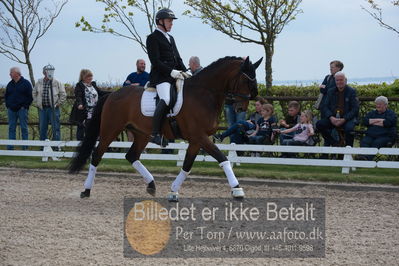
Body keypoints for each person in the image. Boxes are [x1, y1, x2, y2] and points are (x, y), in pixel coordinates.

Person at [146, 8, 187, 147]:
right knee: (167, 99)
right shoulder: (152, 38)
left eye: (171, 21)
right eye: (169, 21)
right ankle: (155, 133)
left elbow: (178, 58)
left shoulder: (171, 38)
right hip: (161, 77)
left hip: (174, 75)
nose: (171, 24)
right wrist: (171, 72)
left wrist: (186, 72)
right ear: (160, 21)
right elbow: (155, 61)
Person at [316, 71, 359, 147]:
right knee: (319, 124)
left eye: (341, 80)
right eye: (337, 80)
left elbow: (355, 109)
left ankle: (348, 151)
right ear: (335, 81)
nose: (339, 82)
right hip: (333, 118)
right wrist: (331, 117)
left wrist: (344, 119)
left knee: (349, 129)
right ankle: (335, 143)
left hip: (347, 119)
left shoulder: (351, 91)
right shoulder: (331, 91)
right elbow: (325, 106)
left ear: (345, 80)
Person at [69, 69, 107, 140]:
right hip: (84, 110)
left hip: (94, 110)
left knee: (94, 128)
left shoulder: (93, 85)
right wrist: (79, 104)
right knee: (81, 129)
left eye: (91, 76)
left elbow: (100, 92)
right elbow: (78, 96)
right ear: (83, 77)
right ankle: (80, 146)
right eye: (88, 76)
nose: (90, 78)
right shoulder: (79, 85)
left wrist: (113, 93)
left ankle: (93, 146)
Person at [33, 64, 66, 141]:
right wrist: (37, 102)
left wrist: (58, 104)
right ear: (44, 72)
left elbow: (63, 94)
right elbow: (34, 92)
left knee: (56, 128)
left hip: (54, 109)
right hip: (42, 109)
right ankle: (43, 147)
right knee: (42, 128)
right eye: (46, 71)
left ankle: (56, 146)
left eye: (50, 71)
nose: (48, 73)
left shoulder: (57, 82)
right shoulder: (39, 82)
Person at [359, 96, 397, 160]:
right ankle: (364, 157)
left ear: (386, 105)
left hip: (385, 136)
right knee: (364, 141)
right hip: (370, 135)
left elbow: (388, 123)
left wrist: (372, 121)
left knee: (377, 143)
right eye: (377, 104)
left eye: (380, 104)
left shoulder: (391, 113)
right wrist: (381, 121)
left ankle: (366, 159)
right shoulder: (372, 113)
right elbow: (365, 121)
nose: (378, 106)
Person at [5, 67, 33, 150]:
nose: (10, 74)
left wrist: (24, 106)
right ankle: (10, 147)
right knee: (11, 128)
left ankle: (25, 147)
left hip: (22, 110)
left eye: (11, 72)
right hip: (11, 110)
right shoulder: (10, 84)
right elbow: (6, 96)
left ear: (17, 73)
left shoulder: (26, 83)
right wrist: (8, 106)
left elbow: (30, 97)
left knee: (24, 128)